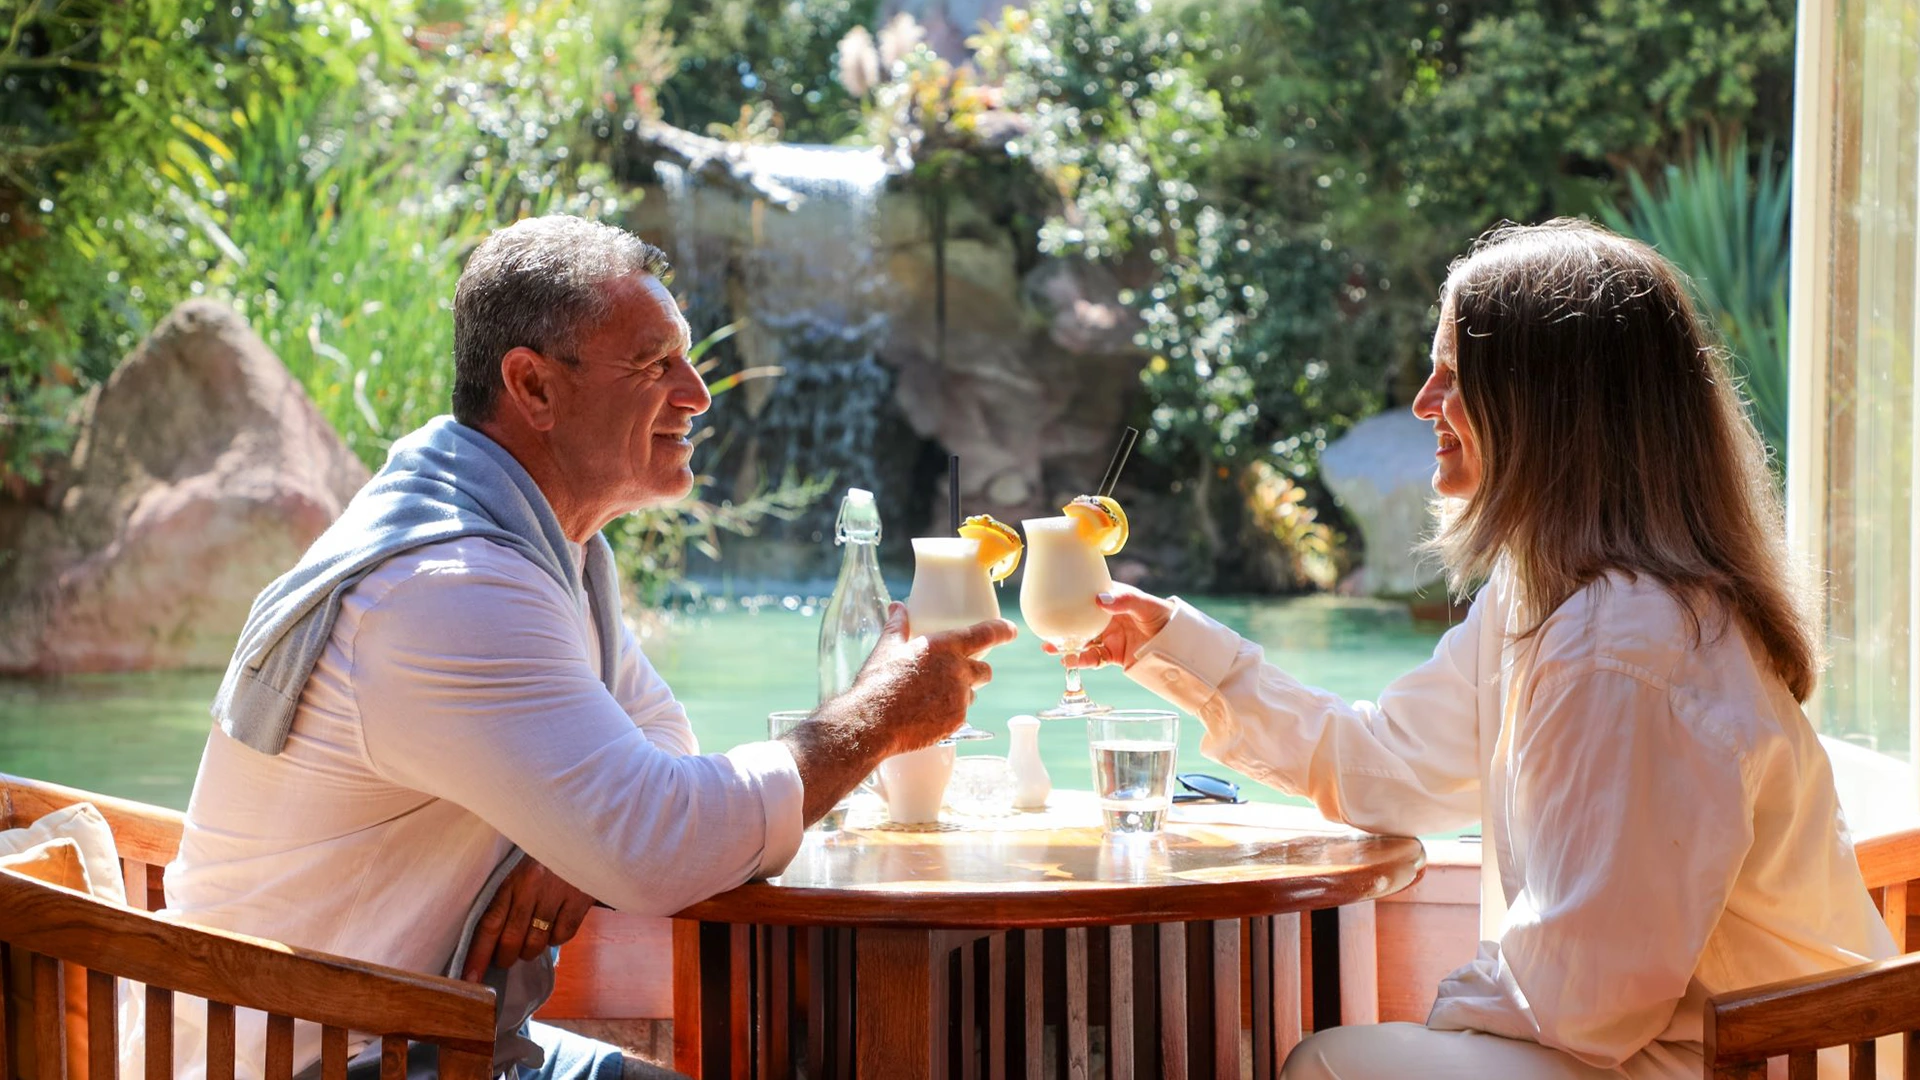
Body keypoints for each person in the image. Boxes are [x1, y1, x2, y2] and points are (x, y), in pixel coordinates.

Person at [128, 215, 1015, 1080]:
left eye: (687, 357)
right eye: (653, 364)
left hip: (430, 1038)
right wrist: (884, 710)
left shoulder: (545, 546)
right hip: (343, 1058)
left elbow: (661, 742)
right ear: (536, 388)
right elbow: (660, 841)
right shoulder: (457, 588)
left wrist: (565, 843)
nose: (697, 395)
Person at [1063, 220, 1895, 1079]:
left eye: (1455, 376)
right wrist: (1173, 645)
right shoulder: (1546, 597)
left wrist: (1440, 1020)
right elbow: (1383, 767)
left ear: (1550, 404)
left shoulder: (1626, 644)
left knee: (1332, 1063)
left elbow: (1585, 1000)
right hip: (1672, 1046)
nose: (1425, 402)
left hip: (1741, 1061)